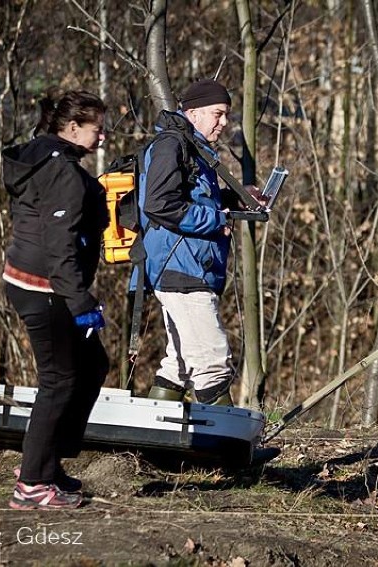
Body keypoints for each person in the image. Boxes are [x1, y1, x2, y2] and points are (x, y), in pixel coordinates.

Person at [1, 89, 110, 509]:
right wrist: (80, 301)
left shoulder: (45, 158)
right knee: (59, 381)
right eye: (97, 129)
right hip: (45, 288)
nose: (103, 137)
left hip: (39, 282)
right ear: (71, 128)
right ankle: (31, 484)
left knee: (93, 365)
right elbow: (59, 245)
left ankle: (46, 461)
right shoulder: (62, 171)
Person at [131, 78, 251, 406]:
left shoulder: (190, 146)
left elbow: (191, 198)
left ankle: (150, 445)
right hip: (180, 268)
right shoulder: (173, 145)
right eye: (218, 114)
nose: (224, 122)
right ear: (194, 113)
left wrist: (234, 199)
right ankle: (231, 453)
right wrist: (218, 220)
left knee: (180, 364)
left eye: (226, 114)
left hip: (185, 266)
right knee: (212, 361)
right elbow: (160, 204)